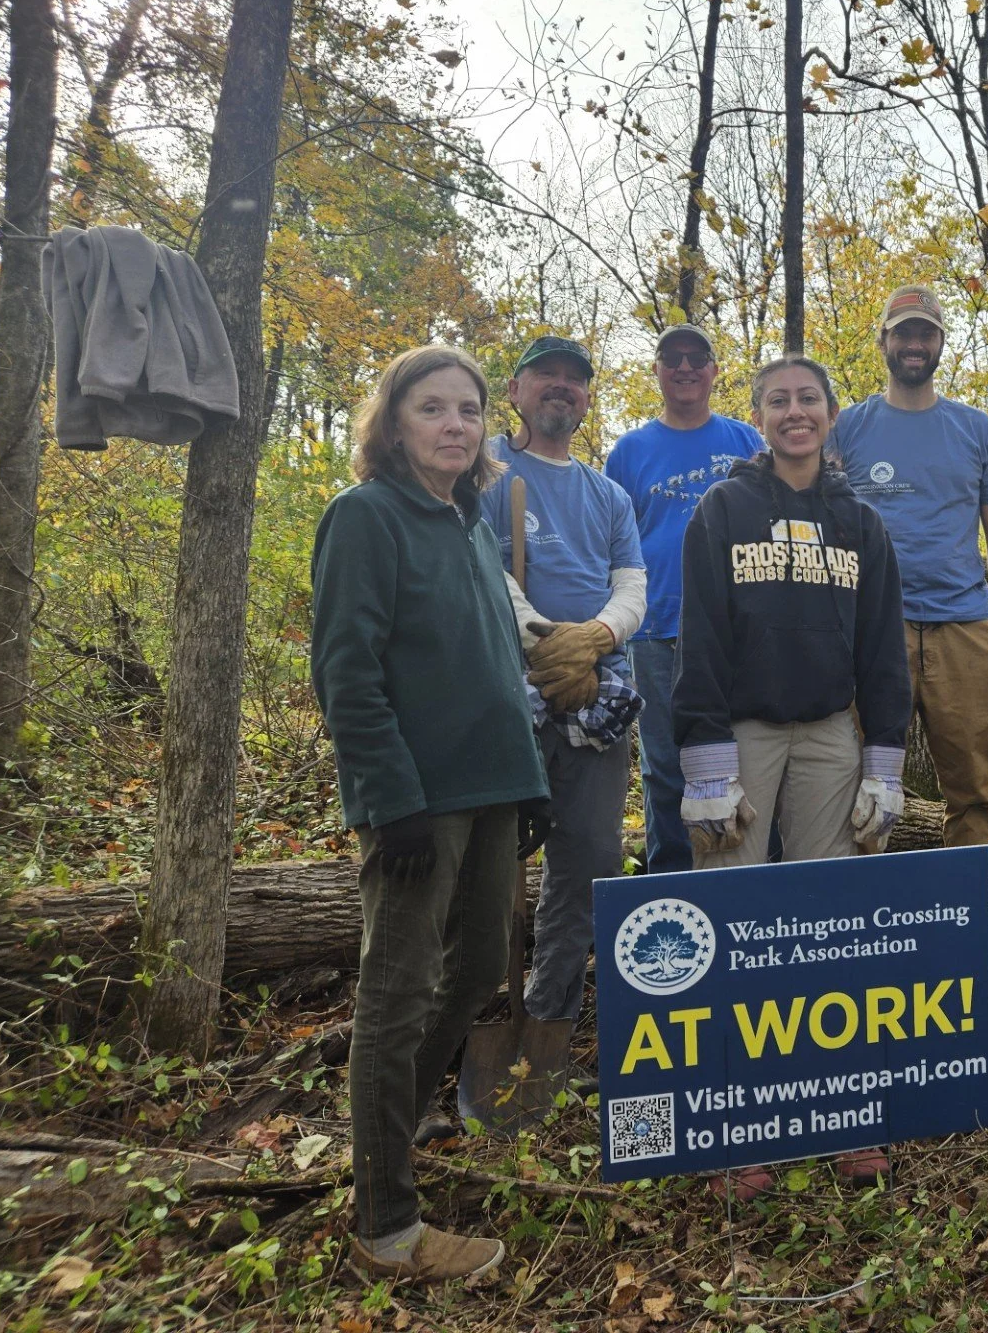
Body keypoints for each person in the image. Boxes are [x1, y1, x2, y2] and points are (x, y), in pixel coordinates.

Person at [311, 345, 549, 1282]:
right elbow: (346, 673)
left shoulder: (470, 522)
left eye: (469, 409)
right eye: (432, 408)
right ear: (394, 422)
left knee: (483, 964)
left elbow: (494, 662)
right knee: (397, 993)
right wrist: (390, 800)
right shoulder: (365, 517)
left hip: (492, 789)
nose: (455, 423)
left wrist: (526, 780)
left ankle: (385, 1138)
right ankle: (387, 1225)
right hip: (417, 802)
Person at [673, 354, 911, 1197]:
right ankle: (737, 1128)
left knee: (831, 919)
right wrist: (702, 764)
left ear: (831, 413)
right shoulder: (723, 509)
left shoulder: (861, 524)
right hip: (740, 734)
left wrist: (885, 763)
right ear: (760, 416)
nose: (794, 412)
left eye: (808, 398)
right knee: (731, 917)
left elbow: (885, 651)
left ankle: (844, 1116)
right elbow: (696, 639)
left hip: (828, 736)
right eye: (778, 400)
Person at [484, 335, 646, 1030]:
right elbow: (481, 573)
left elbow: (633, 586)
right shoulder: (484, 474)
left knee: (589, 859)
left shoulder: (607, 494)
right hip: (505, 696)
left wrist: (596, 640)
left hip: (598, 700)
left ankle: (549, 1016)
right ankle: (476, 1012)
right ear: (514, 390)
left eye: (573, 380)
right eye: (543, 375)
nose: (560, 386)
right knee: (490, 862)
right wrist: (546, 642)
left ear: (585, 399)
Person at [829, 285, 988, 867]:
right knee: (857, 780)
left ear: (940, 342)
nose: (914, 344)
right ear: (883, 340)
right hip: (870, 630)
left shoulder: (978, 430)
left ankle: (970, 927)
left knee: (972, 789)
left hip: (963, 628)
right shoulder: (848, 428)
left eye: (925, 333)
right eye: (903, 332)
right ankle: (865, 923)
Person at [604, 325, 765, 875]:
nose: (686, 366)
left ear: (715, 371)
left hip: (737, 628)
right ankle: (672, 877)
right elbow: (612, 543)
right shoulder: (628, 452)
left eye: (698, 357)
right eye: (673, 358)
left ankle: (751, 874)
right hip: (654, 628)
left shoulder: (746, 441)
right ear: (658, 370)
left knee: (748, 755)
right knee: (666, 763)